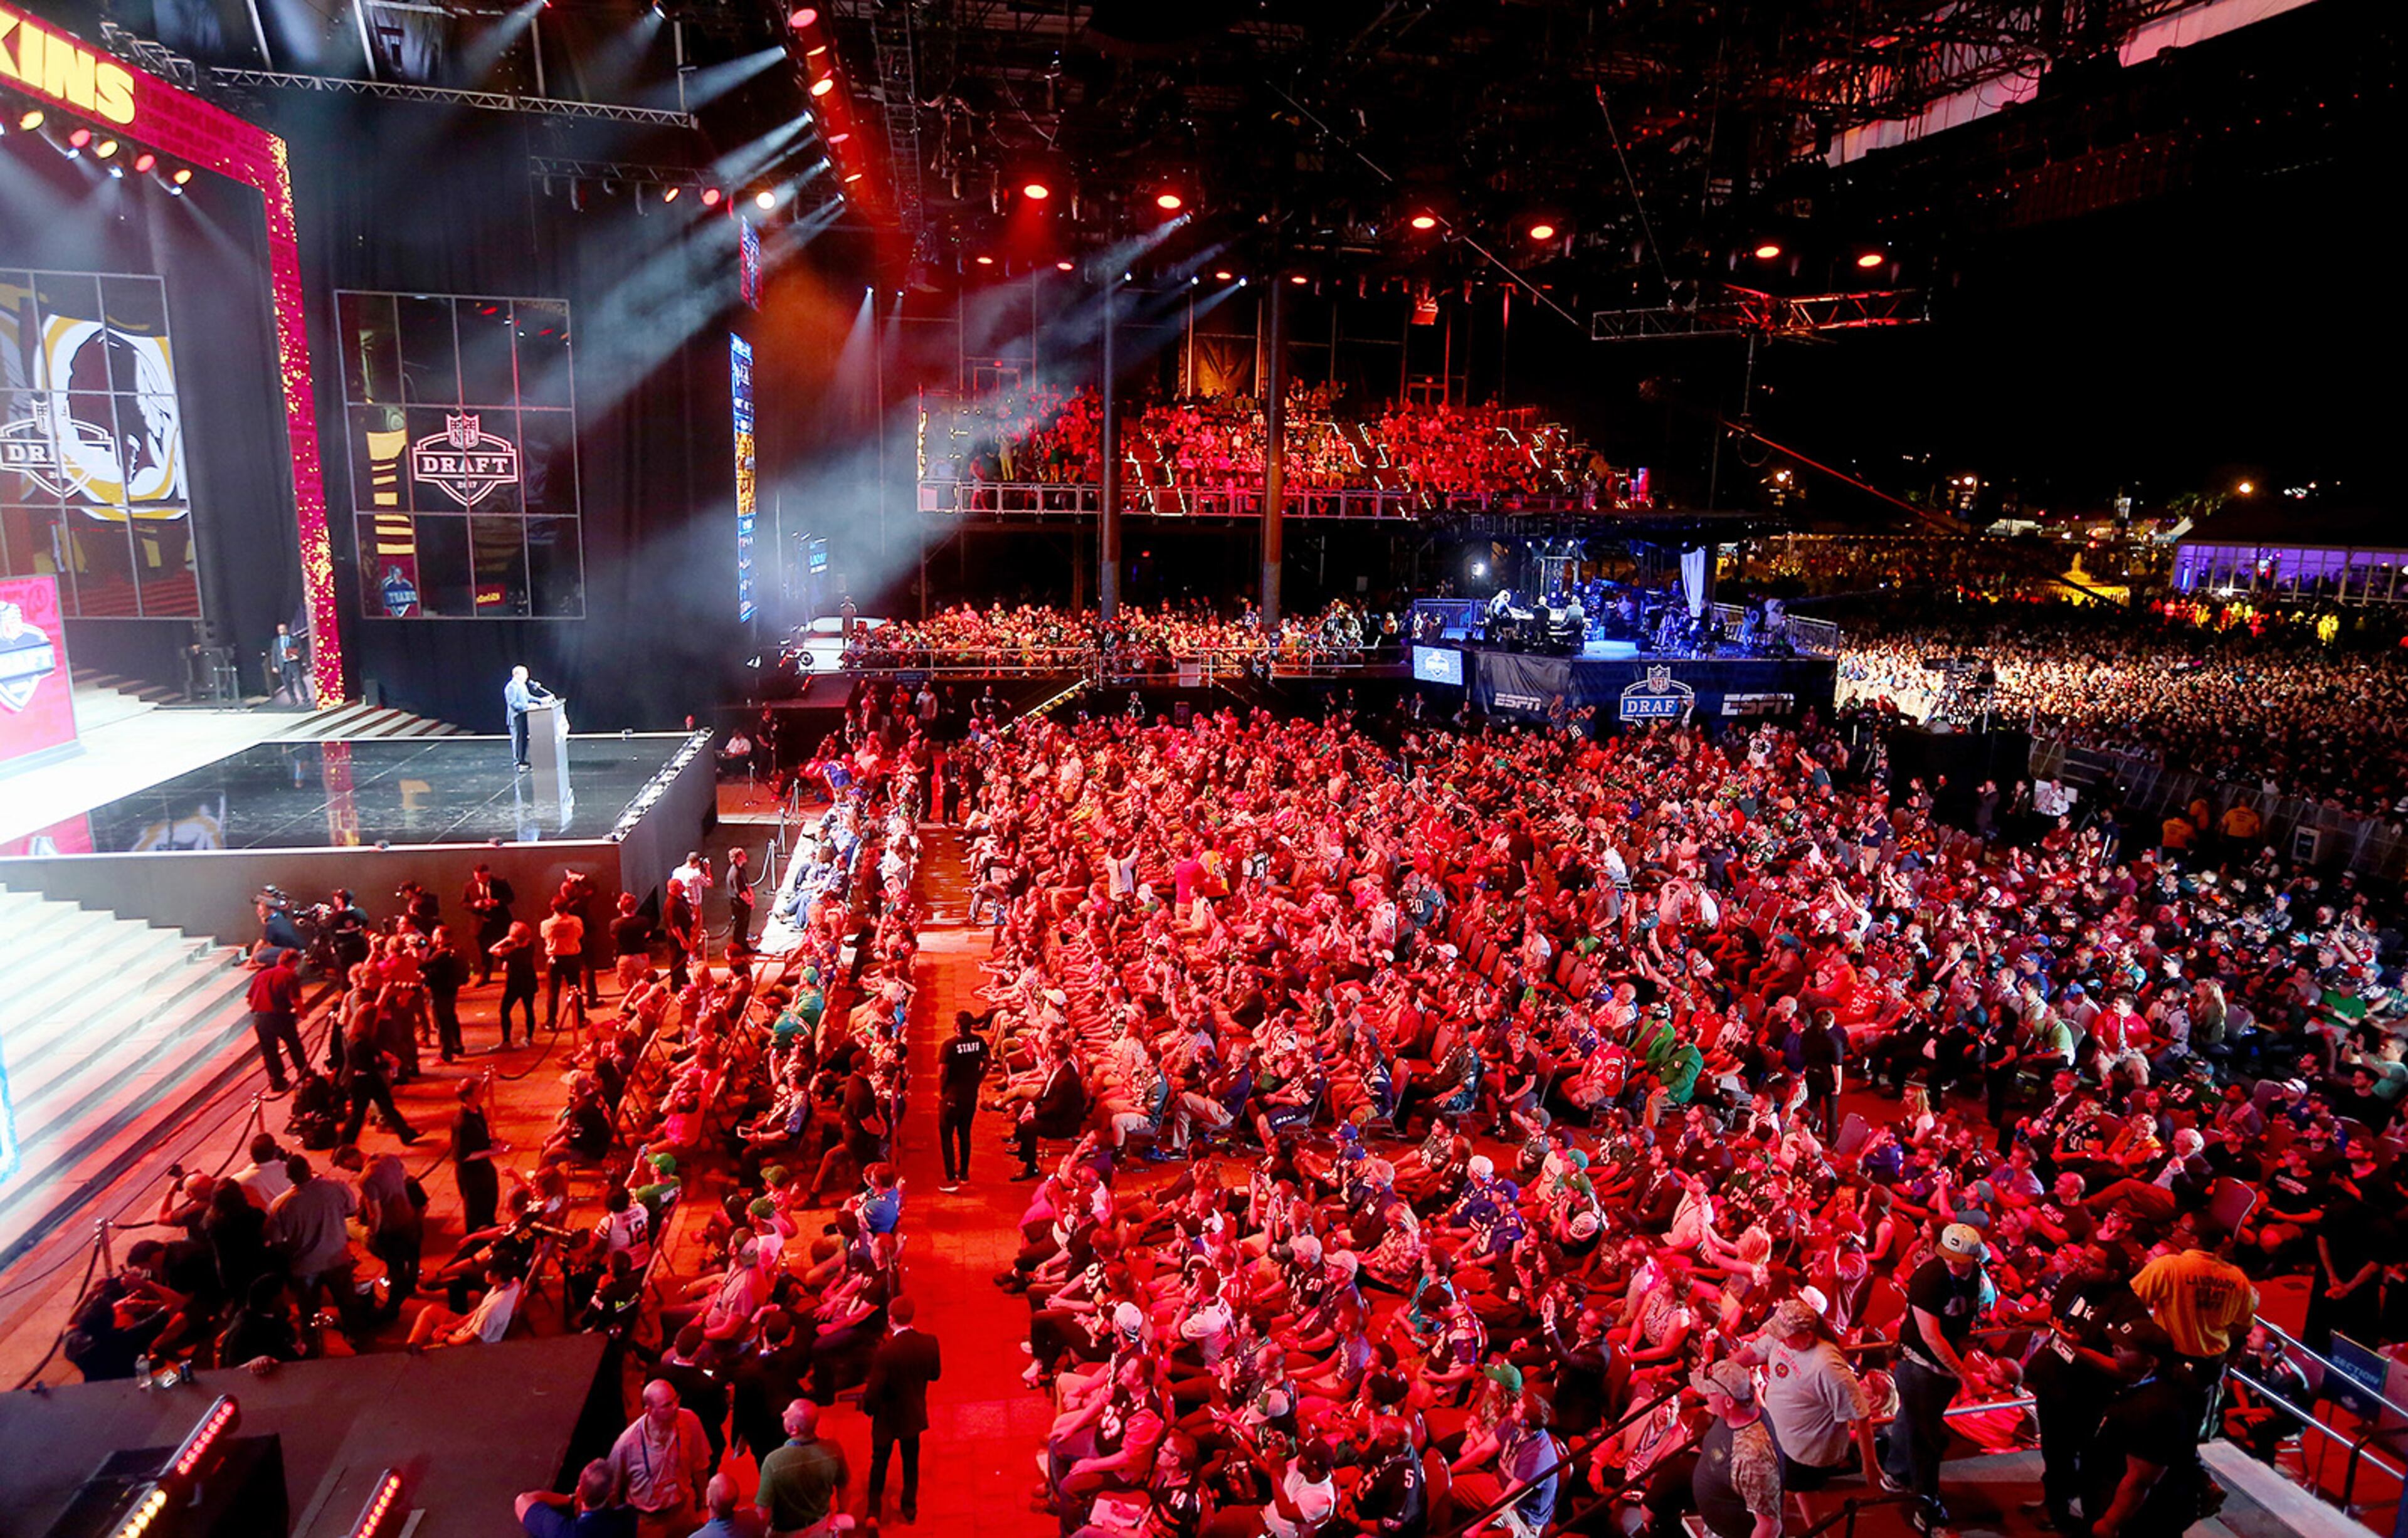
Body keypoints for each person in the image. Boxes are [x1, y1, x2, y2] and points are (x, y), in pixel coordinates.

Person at [1881, 1223, 1990, 1535]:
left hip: (1943, 1367)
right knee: (1926, 1441)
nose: (1953, 1264)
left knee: (1911, 1420)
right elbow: (1931, 1337)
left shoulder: (1975, 1275)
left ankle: (1896, 1474)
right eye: (1949, 1257)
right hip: (1920, 1365)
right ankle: (1927, 1511)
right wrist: (1967, 1376)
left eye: (1960, 1260)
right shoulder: (1929, 1277)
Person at [1735, 1297, 1887, 1490]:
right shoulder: (1782, 1337)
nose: (1780, 1339)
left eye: (1785, 1336)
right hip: (1782, 1439)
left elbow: (1860, 1415)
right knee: (1798, 1492)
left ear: (1807, 1335)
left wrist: (1870, 1464)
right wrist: (1724, 1368)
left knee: (1791, 1490)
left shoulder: (1829, 1366)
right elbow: (1753, 1353)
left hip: (1807, 1454)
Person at [2079, 1317, 2212, 1538]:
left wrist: (2110, 1523)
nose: (2116, 1348)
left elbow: (2139, 1481)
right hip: (2167, 1495)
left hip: (2140, 1513)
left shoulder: (2152, 1410)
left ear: (2151, 1361)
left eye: (2125, 1347)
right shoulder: (2174, 1376)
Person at [862, 1293, 942, 1524]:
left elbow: (874, 1391)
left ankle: (873, 1510)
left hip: (887, 1417)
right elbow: (935, 1374)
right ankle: (909, 1506)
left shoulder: (886, 1353)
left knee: (879, 1461)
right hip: (912, 1412)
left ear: (891, 1319)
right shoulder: (929, 1342)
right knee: (911, 1460)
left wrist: (869, 1409)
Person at [605, 1379, 712, 1538]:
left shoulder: (689, 1421)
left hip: (683, 1512)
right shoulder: (626, 1444)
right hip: (648, 1523)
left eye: (676, 1399)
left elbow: (700, 1465)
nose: (675, 1407)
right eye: (667, 1405)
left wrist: (703, 1501)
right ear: (649, 1410)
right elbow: (613, 1490)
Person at [1691, 1358, 1783, 1538]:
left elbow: (1770, 1527)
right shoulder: (1741, 1413)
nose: (1706, 1396)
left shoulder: (1754, 1457)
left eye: (1711, 1392)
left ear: (1729, 1402)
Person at [756, 1397, 852, 1538]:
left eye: (787, 1414)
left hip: (784, 1533)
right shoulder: (834, 1450)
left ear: (794, 1429)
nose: (783, 1414)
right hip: (821, 1529)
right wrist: (841, 1514)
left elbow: (763, 1514)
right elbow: (844, 1488)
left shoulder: (773, 1462)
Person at [937, 1009, 992, 1191]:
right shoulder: (979, 1042)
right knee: (965, 1134)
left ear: (957, 1026)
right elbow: (988, 1062)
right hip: (970, 1096)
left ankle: (950, 1178)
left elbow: (942, 1072)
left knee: (947, 1136)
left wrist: (942, 1092)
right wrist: (978, 1080)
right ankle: (964, 1174)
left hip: (952, 1097)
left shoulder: (949, 1046)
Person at [517, 1458, 636, 1538]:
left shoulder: (563, 1531)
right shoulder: (627, 1517)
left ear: (578, 1489)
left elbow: (522, 1501)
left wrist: (571, 1500)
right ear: (611, 1493)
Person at [246, 947, 309, 1093]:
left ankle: (277, 1081)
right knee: (294, 1045)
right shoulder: (290, 975)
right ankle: (304, 1073)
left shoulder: (262, 975)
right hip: (280, 1016)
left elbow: (249, 999)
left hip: (261, 1018)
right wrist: (303, 1014)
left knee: (270, 1051)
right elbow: (296, 999)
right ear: (293, 962)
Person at [506, 664, 555, 772]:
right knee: (518, 740)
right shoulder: (511, 687)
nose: (527, 676)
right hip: (516, 717)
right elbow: (513, 703)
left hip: (524, 716)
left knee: (523, 739)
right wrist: (527, 707)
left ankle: (523, 760)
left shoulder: (522, 685)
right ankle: (518, 762)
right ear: (517, 674)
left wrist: (541, 701)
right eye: (525, 674)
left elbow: (528, 697)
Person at [271, 621, 304, 703]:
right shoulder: (276, 641)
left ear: (286, 630)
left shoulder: (294, 639)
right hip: (283, 665)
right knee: (287, 684)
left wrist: (297, 656)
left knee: (299, 682)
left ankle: (306, 699)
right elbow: (274, 654)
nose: (282, 631)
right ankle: (293, 700)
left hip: (294, 664)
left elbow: (301, 650)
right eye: (280, 630)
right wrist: (274, 666)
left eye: (283, 629)